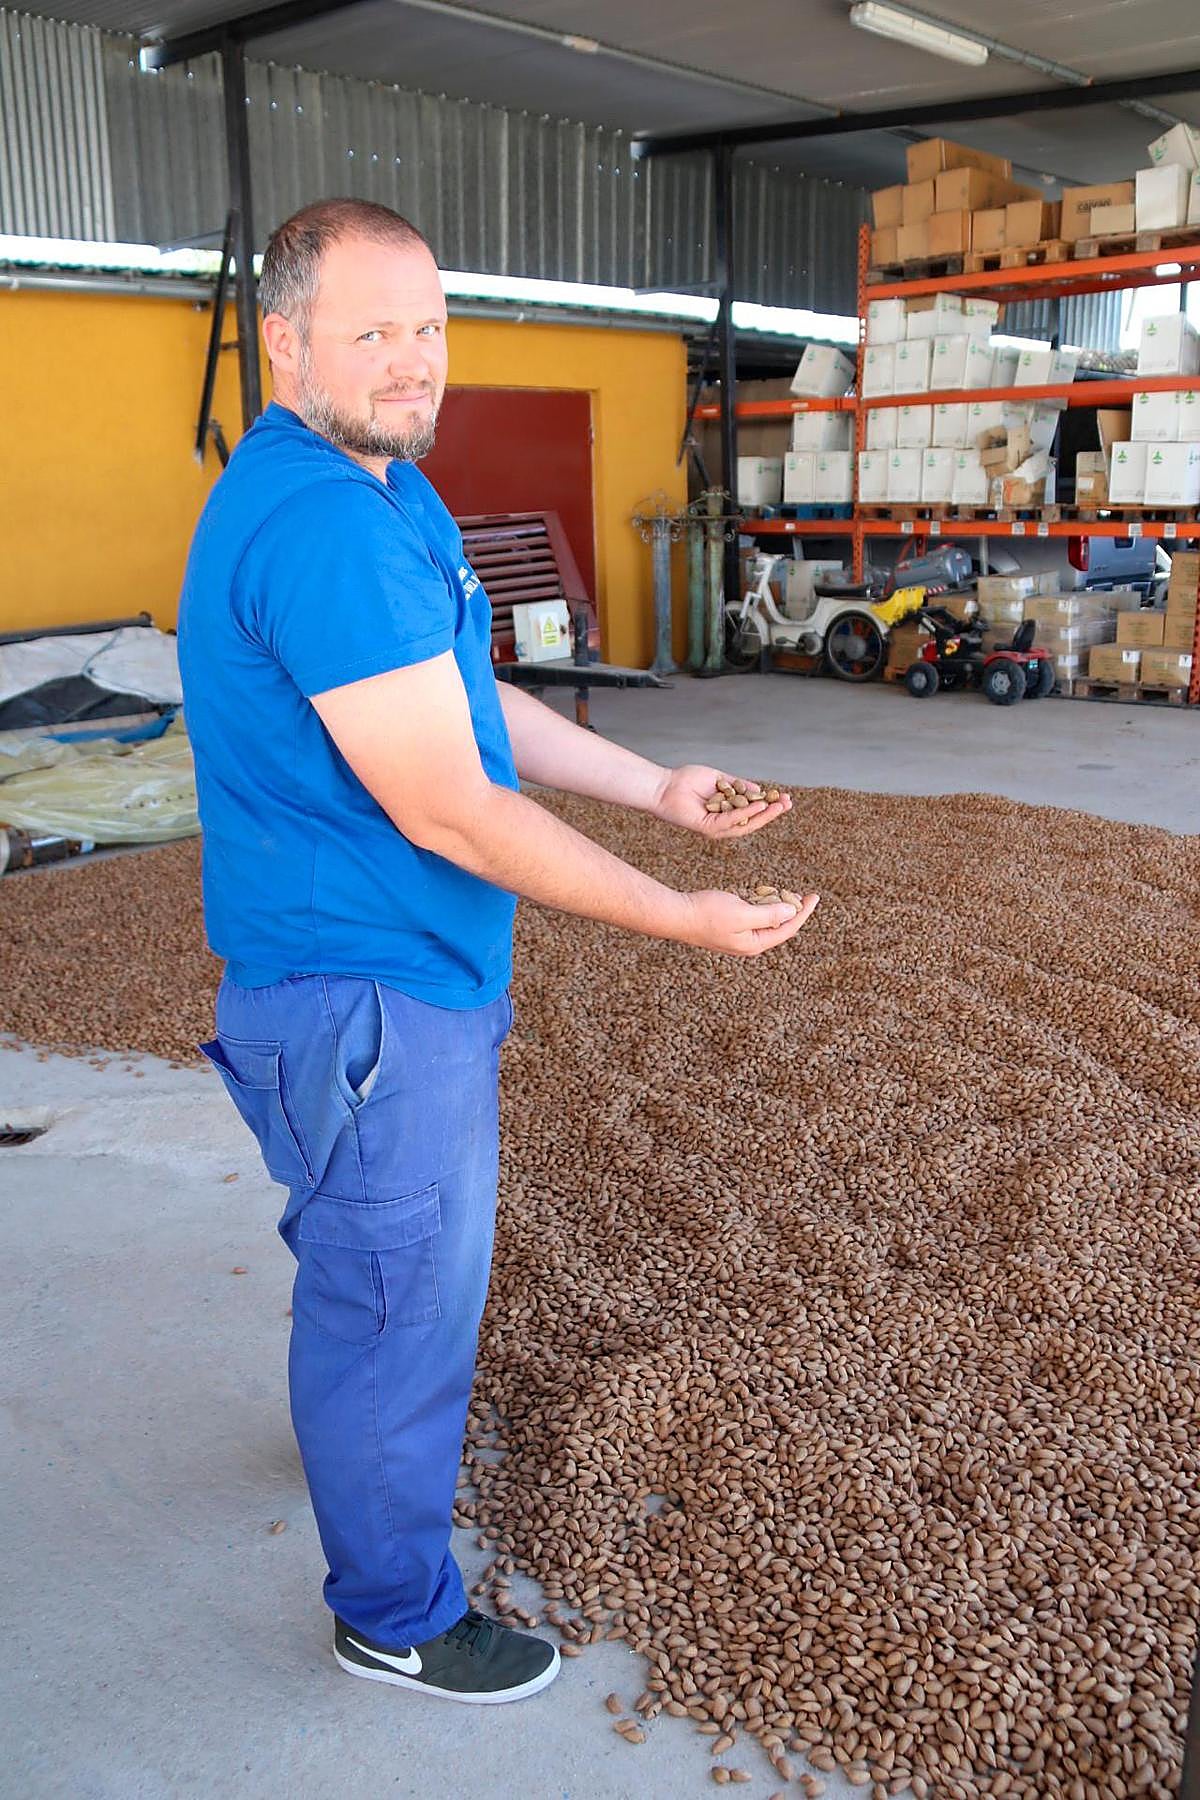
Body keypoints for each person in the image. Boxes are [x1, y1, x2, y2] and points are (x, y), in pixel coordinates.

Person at [177, 197, 819, 1708]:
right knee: (396, 1303)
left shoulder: (384, 486)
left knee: (363, 1271)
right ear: (284, 343)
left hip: (383, 987)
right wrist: (678, 915)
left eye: (431, 326)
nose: (414, 360)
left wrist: (656, 787)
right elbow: (452, 806)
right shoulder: (326, 524)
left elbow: (471, 703)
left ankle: (353, 1446)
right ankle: (393, 1613)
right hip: (367, 1000)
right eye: (373, 331)